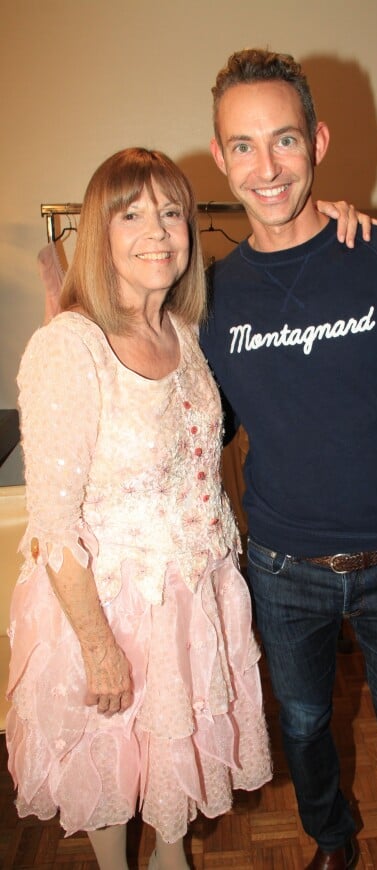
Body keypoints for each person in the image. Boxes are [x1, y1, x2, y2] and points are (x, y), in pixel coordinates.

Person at [200, 48, 377, 870]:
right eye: (243, 146)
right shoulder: (212, 298)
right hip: (284, 567)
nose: (266, 167)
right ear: (220, 157)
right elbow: (201, 432)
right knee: (302, 724)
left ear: (318, 140)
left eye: (284, 139)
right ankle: (331, 841)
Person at [6, 147, 274, 870]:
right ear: (100, 232)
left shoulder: (184, 334)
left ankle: (171, 857)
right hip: (112, 604)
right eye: (132, 214)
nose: (157, 231)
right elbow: (53, 527)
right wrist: (97, 645)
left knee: (170, 754)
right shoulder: (71, 345)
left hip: (189, 596)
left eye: (171, 212)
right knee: (110, 759)